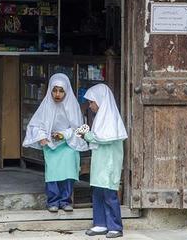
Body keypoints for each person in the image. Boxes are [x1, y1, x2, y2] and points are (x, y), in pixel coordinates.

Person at [23, 73, 88, 212]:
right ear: (50, 90)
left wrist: (63, 135)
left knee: (68, 172)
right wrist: (42, 136)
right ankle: (53, 201)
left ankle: (65, 201)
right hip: (51, 144)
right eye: (55, 90)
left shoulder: (73, 105)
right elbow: (36, 125)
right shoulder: (46, 105)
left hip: (69, 144)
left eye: (61, 90)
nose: (57, 94)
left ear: (66, 91)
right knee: (53, 173)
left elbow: (78, 128)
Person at [81, 84, 127, 238]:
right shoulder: (100, 117)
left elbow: (106, 138)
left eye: (92, 102)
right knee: (97, 193)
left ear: (100, 100)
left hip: (109, 164)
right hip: (100, 163)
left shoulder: (110, 117)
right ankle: (100, 224)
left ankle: (115, 226)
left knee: (109, 194)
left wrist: (88, 136)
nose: (90, 105)